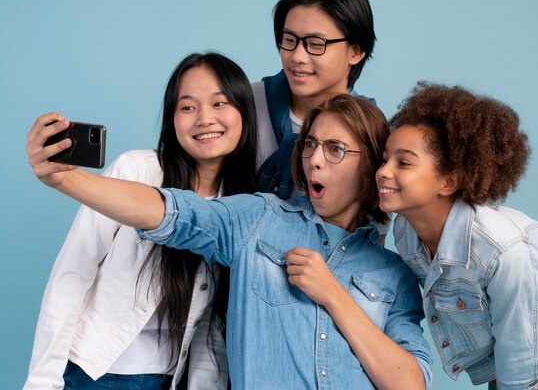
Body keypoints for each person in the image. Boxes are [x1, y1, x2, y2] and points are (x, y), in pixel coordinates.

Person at [27, 94, 433, 390]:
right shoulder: (259, 218)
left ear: (371, 166)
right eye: (310, 144)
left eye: (336, 149)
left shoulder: (393, 274)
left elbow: (410, 384)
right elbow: (171, 212)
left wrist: (334, 295)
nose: (315, 159)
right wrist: (67, 179)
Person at [24, 52, 258, 390]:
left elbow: (211, 325)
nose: (205, 119)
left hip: (166, 380)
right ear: (172, 118)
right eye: (188, 107)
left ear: (245, 113)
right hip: (91, 373)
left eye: (219, 104)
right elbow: (71, 276)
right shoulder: (137, 170)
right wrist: (43, 381)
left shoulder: (241, 206)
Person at [376, 82, 538, 390]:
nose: (383, 171)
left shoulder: (503, 253)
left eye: (403, 162)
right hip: (515, 335)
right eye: (385, 159)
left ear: (448, 181)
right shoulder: (405, 232)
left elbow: (516, 361)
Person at [254, 0, 376, 199]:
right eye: (289, 40)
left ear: (356, 52)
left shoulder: (369, 132)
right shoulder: (245, 104)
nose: (297, 57)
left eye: (316, 44)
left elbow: (370, 224)